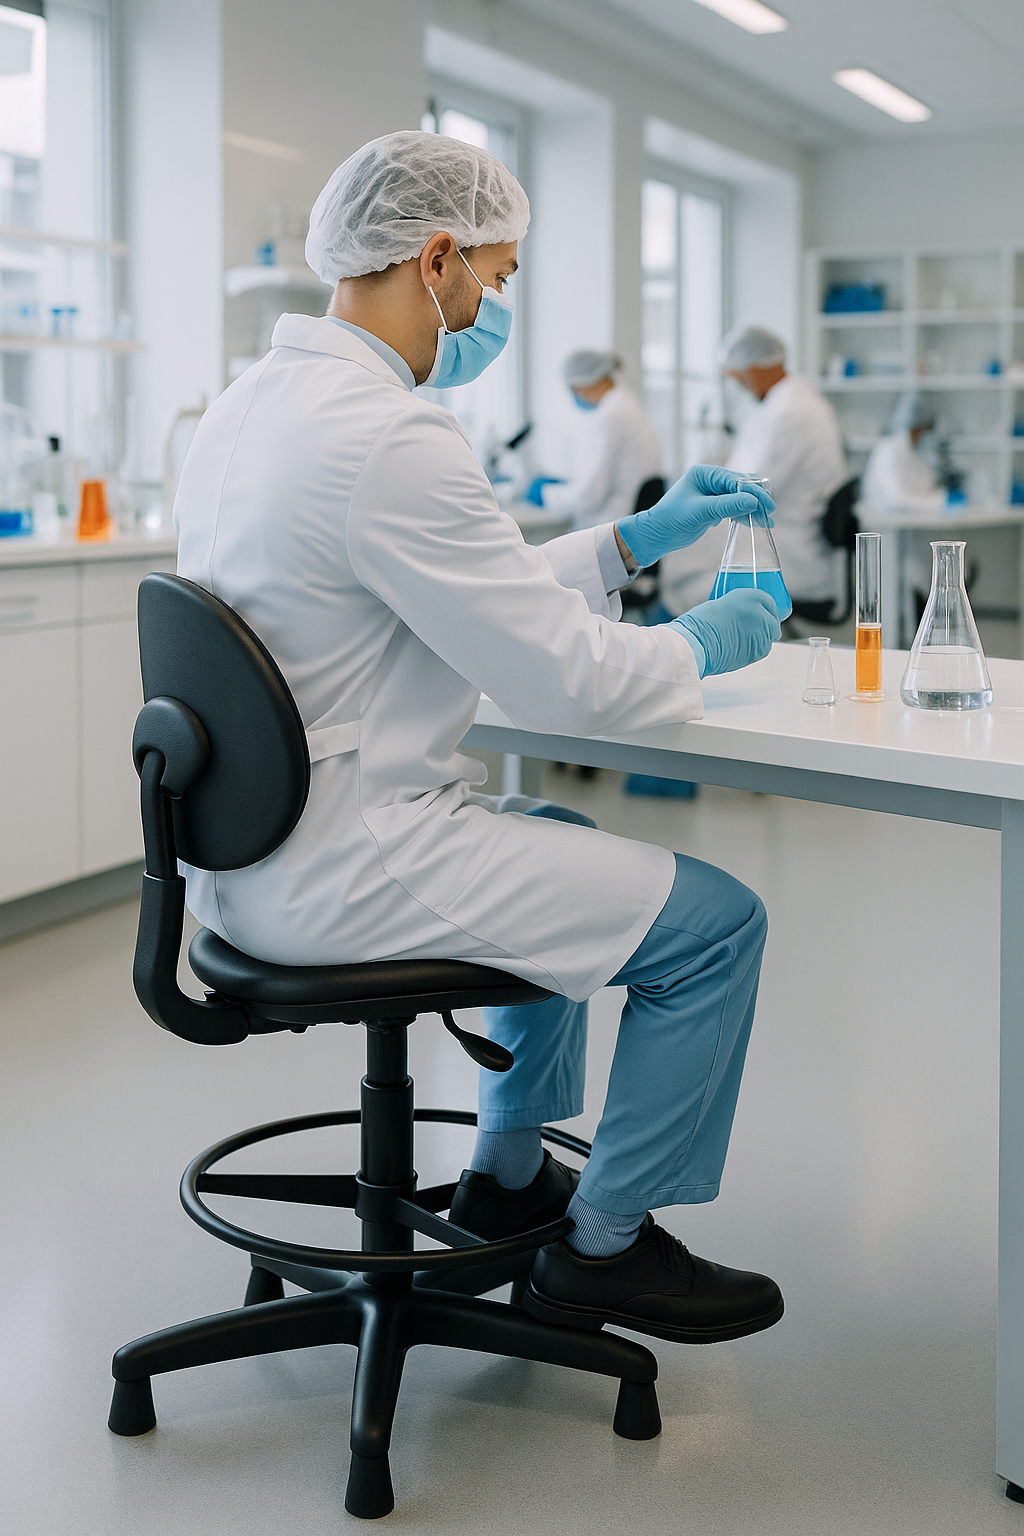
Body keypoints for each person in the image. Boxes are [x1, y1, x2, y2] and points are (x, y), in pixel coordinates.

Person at [173, 130, 784, 1344]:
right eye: (496, 279)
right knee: (717, 926)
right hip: (351, 862)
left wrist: (628, 545)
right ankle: (603, 1252)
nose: (493, 307)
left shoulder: (255, 406)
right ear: (437, 257)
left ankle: (504, 1176)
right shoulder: (389, 432)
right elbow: (564, 681)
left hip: (244, 860)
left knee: (550, 831)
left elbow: (451, 591)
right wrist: (699, 644)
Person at [661, 325, 848, 619]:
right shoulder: (793, 401)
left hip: (789, 553)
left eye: (741, 379)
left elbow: (751, 490)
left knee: (683, 582)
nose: (742, 387)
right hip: (791, 542)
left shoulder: (788, 412)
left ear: (755, 367)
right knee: (684, 564)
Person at [524, 350, 663, 531]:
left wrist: (546, 495)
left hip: (613, 523)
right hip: (628, 518)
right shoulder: (624, 404)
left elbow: (588, 496)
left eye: (573, 389)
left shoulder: (609, 416)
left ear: (585, 383)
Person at [862, 391, 947, 515]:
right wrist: (938, 501)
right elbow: (897, 499)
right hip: (884, 523)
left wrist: (939, 495)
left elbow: (923, 484)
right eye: (924, 431)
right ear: (916, 427)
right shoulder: (888, 451)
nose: (925, 437)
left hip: (906, 520)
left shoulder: (910, 450)